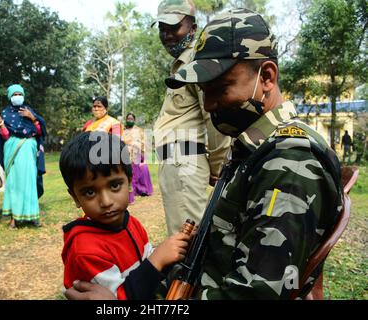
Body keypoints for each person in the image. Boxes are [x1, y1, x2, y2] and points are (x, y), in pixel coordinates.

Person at [65, 9, 343, 300]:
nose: (209, 105)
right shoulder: (257, 148)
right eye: (203, 92)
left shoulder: (289, 163)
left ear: (267, 77)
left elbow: (252, 295)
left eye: (221, 88)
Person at [59, 131, 192, 300]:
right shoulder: (84, 250)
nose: (106, 201)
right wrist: (157, 260)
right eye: (90, 192)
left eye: (114, 185)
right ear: (75, 197)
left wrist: (170, 250)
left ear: (129, 182)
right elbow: (116, 298)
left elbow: (146, 258)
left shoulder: (130, 222)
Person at [152, 0, 232, 236]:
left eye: (174, 27)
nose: (167, 35)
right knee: (184, 238)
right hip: (177, 160)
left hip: (184, 158)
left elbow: (214, 117)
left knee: (185, 242)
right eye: (162, 29)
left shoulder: (197, 63)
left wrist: (219, 167)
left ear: (193, 27)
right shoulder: (180, 65)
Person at [0, 84, 46, 229]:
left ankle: (33, 216)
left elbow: (40, 132)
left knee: (29, 183)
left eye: (19, 94)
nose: (17, 96)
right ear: (10, 97)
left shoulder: (29, 110)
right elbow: (5, 135)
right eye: (14, 94)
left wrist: (32, 118)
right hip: (13, 151)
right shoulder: (5, 113)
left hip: (29, 151)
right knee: (14, 184)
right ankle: (14, 219)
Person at [123, 113, 154, 203]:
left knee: (141, 169)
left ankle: (142, 190)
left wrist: (143, 157)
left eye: (131, 119)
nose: (130, 120)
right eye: (128, 119)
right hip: (126, 154)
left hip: (137, 154)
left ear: (134, 120)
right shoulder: (124, 131)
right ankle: (131, 192)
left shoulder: (139, 131)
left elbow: (144, 143)